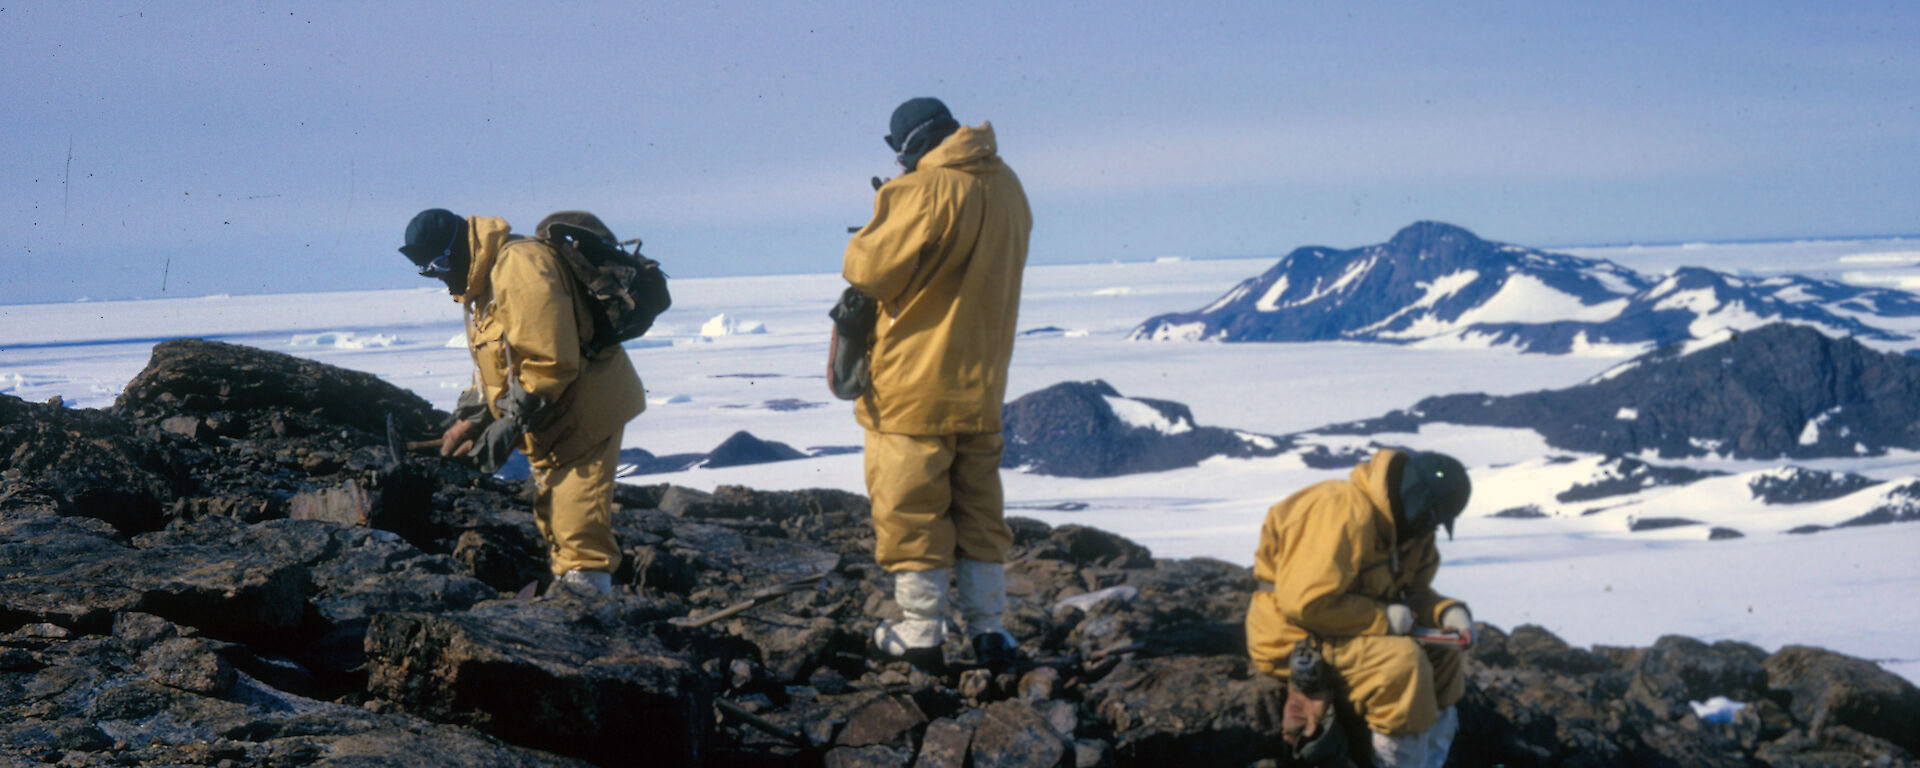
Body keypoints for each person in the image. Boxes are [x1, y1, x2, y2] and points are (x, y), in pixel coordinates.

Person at [842, 97, 1032, 670]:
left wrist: (883, 206)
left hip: (914, 380)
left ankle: (921, 629)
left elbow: (867, 271)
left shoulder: (921, 190)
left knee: (912, 504)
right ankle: (989, 631)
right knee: (978, 506)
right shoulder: (1009, 185)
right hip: (983, 379)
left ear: (907, 145)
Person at [398, 209, 646, 598]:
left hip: (587, 410)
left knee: (577, 523)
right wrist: (472, 419)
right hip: (554, 419)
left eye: (442, 262)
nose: (440, 275)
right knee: (555, 515)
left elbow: (551, 360)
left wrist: (509, 423)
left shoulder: (519, 265)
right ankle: (575, 601)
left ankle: (589, 610)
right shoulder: (481, 288)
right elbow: (498, 367)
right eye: (428, 270)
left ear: (461, 245)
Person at [1245, 449, 1476, 768]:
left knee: (1444, 656)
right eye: (1431, 517)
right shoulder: (1340, 506)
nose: (1430, 529)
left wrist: (1447, 613)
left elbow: (1415, 591)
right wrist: (1384, 619)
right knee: (1401, 667)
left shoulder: (1410, 530)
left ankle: (1428, 760)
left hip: (1349, 629)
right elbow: (1306, 603)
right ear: (1417, 502)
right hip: (1293, 633)